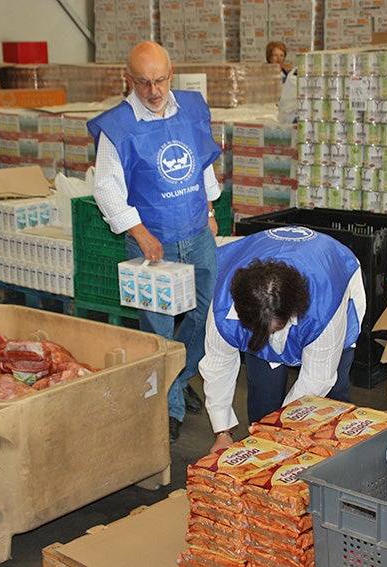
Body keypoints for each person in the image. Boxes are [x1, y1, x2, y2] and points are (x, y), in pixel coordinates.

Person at [87, 41, 222, 443]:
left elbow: (202, 165)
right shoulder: (118, 126)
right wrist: (140, 232)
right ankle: (170, 406)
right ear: (129, 79)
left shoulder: (193, 110)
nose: (153, 91)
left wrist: (212, 212)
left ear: (172, 73)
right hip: (152, 244)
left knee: (205, 315)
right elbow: (106, 188)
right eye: (143, 82)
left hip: (197, 235)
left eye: (160, 80)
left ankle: (178, 378)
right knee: (159, 329)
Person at [199, 226, 366, 454]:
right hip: (262, 293)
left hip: (333, 271)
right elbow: (218, 365)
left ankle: (334, 458)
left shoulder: (324, 307)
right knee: (263, 398)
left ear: (292, 312)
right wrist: (223, 431)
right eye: (260, 331)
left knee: (333, 397)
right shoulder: (224, 306)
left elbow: (317, 379)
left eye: (274, 328)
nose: (269, 337)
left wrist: (282, 428)